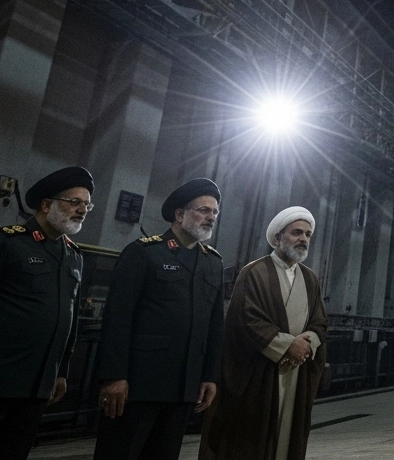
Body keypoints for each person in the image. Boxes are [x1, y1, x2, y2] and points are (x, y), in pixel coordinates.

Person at [94, 179, 226, 460]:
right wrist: (114, 376)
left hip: (183, 388)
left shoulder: (212, 262)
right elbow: (118, 318)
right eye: (204, 210)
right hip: (138, 385)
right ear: (180, 215)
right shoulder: (145, 253)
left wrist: (209, 376)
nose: (211, 217)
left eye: (215, 212)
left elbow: (215, 326)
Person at [0, 167, 91, 460]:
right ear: (46, 204)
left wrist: (61, 371)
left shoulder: (73, 256)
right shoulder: (5, 243)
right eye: (74, 202)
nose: (82, 210)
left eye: (86, 205)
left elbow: (70, 318)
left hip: (37, 386)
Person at [200, 207, 329, 460]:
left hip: (297, 373)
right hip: (261, 376)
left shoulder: (310, 279)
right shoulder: (254, 272)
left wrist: (307, 343)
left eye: (308, 234)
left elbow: (320, 322)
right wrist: (286, 346)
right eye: (296, 233)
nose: (303, 239)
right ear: (279, 238)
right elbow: (245, 321)